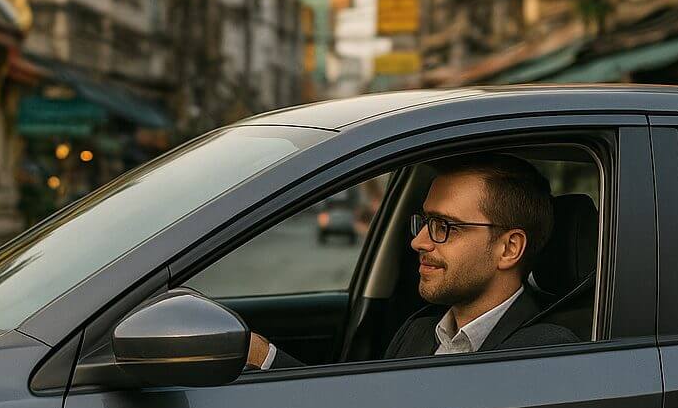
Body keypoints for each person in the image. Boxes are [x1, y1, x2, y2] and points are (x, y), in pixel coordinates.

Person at [247, 153, 578, 369]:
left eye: (444, 226)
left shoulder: (542, 354)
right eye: (425, 222)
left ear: (509, 248)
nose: (418, 241)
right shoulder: (418, 331)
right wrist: (265, 359)